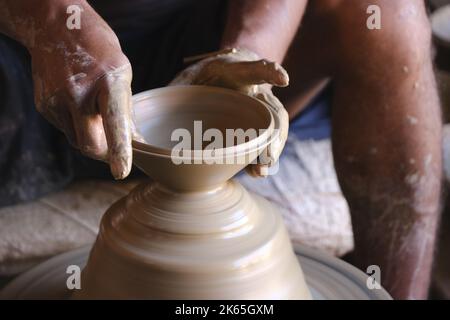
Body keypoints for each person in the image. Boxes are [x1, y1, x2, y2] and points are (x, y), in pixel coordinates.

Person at [0, 0, 441, 299]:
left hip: (196, 37)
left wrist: (246, 51)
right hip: (26, 43)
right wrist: (54, 24)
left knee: (387, 12)